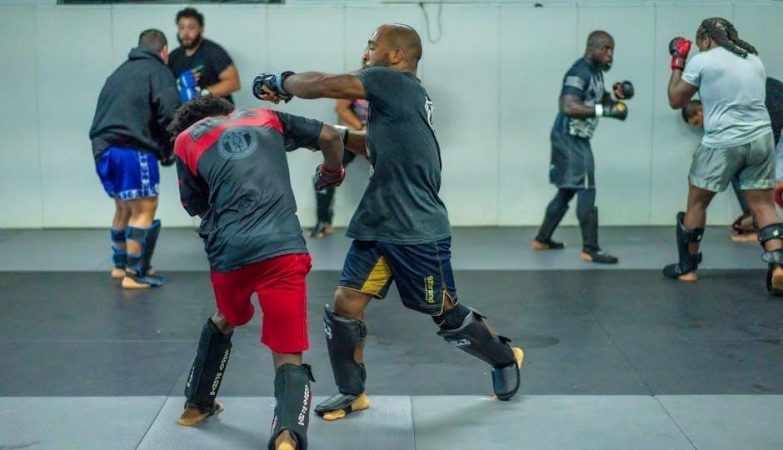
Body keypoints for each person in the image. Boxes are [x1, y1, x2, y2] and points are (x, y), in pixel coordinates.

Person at [253, 23, 524, 422]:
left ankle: (504, 356)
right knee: (345, 304)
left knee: (445, 313)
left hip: (416, 227)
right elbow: (372, 144)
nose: (365, 53)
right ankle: (353, 392)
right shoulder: (399, 98)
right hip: (378, 221)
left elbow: (324, 84)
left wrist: (280, 81)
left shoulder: (392, 81)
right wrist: (316, 133)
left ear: (396, 55)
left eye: (371, 45)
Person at [167, 95, 346, 450]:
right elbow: (330, 135)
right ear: (228, 111)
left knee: (227, 317)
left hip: (229, 252)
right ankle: (287, 437)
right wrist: (332, 173)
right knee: (287, 349)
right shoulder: (266, 116)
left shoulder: (186, 139)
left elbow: (194, 204)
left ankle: (195, 406)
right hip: (282, 248)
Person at [664, 17, 783, 296]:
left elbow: (675, 99)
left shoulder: (703, 60)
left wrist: (678, 61)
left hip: (723, 142)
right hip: (761, 139)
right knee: (764, 205)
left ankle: (687, 268)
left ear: (706, 39)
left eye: (699, 43)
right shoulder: (753, 59)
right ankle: (778, 266)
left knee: (697, 203)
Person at [530, 30, 632, 264]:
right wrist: (605, 111)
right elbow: (568, 106)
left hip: (573, 137)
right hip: (569, 137)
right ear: (591, 48)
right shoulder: (579, 72)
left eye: (612, 49)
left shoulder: (596, 73)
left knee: (568, 189)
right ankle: (590, 249)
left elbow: (599, 100)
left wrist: (617, 99)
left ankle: (541, 239)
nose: (610, 54)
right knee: (587, 187)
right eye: (605, 48)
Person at [89, 29, 180, 289]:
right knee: (145, 209)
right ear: (164, 51)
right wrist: (171, 149)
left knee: (124, 208)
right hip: (131, 148)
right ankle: (134, 274)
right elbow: (170, 114)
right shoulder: (159, 71)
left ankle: (120, 266)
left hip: (102, 147)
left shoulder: (119, 72)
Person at [681, 77, 783, 241]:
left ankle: (759, 223)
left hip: (772, 112)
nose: (701, 127)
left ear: (700, 109)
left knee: (754, 172)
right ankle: (757, 219)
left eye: (698, 122)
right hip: (769, 104)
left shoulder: (718, 107)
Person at [309, 69, 369, 239]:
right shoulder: (354, 82)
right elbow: (341, 109)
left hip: (376, 138)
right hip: (353, 136)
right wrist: (361, 129)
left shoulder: (389, 84)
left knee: (395, 173)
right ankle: (323, 222)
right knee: (325, 176)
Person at [169, 7, 240, 104]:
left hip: (217, 111)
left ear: (201, 29)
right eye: (181, 28)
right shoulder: (173, 56)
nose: (186, 33)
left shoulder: (214, 51)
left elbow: (234, 83)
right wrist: (179, 85)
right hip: (187, 111)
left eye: (191, 27)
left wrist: (202, 94)